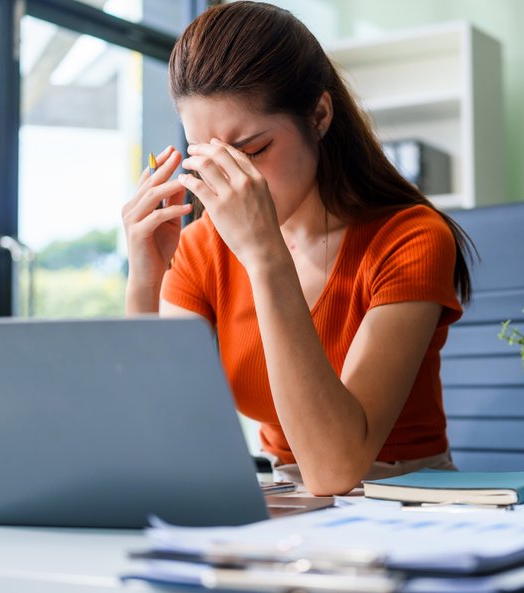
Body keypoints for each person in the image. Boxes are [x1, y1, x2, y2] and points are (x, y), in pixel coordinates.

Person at [120, 1, 473, 496]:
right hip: (282, 500)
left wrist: (265, 257)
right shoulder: (205, 245)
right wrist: (145, 281)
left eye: (251, 152)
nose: (232, 183)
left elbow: (335, 468)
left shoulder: (410, 238)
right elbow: (162, 436)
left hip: (407, 501)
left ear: (320, 115)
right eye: (208, 157)